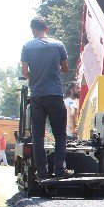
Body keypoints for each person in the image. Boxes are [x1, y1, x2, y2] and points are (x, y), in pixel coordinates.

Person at [21, 17, 69, 178]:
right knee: (60, 134)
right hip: (55, 94)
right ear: (46, 28)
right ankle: (59, 170)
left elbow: (25, 72)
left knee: (38, 135)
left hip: (37, 96)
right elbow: (65, 68)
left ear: (32, 30)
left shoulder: (27, 46)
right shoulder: (58, 45)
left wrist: (35, 74)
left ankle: (42, 172)